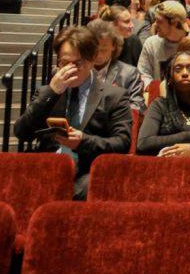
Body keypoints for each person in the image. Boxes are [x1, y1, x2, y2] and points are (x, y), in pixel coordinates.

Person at [13, 26, 132, 199]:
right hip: (49, 166)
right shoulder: (48, 93)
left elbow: (122, 143)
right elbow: (22, 132)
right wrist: (52, 93)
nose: (70, 70)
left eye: (77, 63)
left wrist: (83, 141)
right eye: (64, 63)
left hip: (87, 170)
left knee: (85, 188)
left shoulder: (114, 96)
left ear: (92, 60)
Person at [138, 1, 190, 86]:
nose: (155, 25)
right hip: (160, 96)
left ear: (175, 22)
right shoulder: (151, 43)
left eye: (159, 21)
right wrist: (154, 88)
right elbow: (143, 74)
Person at [86, 20, 145, 112]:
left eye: (104, 49)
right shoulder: (79, 69)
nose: (98, 55)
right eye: (94, 49)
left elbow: (137, 107)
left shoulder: (130, 73)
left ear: (113, 45)